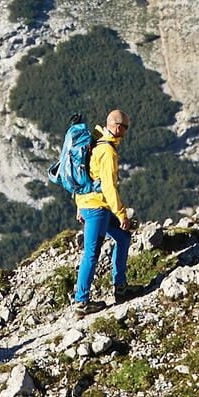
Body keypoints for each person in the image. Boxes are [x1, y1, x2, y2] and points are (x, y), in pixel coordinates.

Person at [73, 109, 135, 307]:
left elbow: (84, 177)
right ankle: (81, 302)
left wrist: (79, 206)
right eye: (125, 127)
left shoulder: (95, 142)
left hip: (89, 205)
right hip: (97, 209)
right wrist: (121, 214)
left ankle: (120, 286)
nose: (126, 132)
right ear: (117, 127)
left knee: (123, 237)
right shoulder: (107, 151)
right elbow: (108, 186)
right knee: (91, 253)